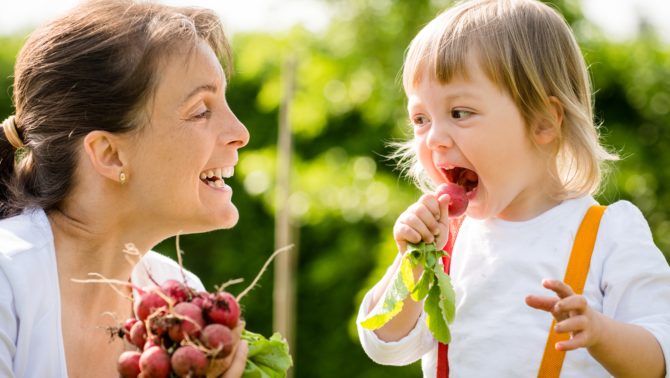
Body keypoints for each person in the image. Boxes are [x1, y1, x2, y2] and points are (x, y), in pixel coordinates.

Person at [356, 0, 670, 377]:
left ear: (542, 122)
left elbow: (659, 359)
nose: (435, 138)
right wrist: (412, 264)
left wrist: (601, 334)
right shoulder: (446, 243)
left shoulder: (608, 233)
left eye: (459, 113)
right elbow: (383, 344)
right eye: (421, 118)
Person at [0, 0, 251, 376]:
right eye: (201, 110)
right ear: (109, 154)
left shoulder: (176, 297)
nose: (241, 134)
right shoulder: (7, 280)